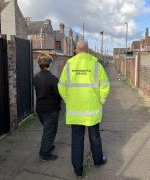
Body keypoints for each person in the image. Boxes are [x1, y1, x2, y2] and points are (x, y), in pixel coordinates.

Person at [58, 40, 110, 177]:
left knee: (77, 140)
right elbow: (105, 85)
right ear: (87, 50)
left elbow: (61, 86)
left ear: (76, 50)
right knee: (95, 137)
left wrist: (69, 101)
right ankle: (98, 160)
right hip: (92, 111)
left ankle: (78, 170)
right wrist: (101, 101)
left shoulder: (69, 65)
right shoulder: (96, 65)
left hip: (75, 112)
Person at [33, 54, 61, 161]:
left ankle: (48, 145)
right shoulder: (53, 79)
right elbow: (58, 94)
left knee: (48, 130)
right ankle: (44, 154)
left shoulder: (36, 77)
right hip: (51, 110)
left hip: (40, 109)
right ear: (49, 64)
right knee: (49, 131)